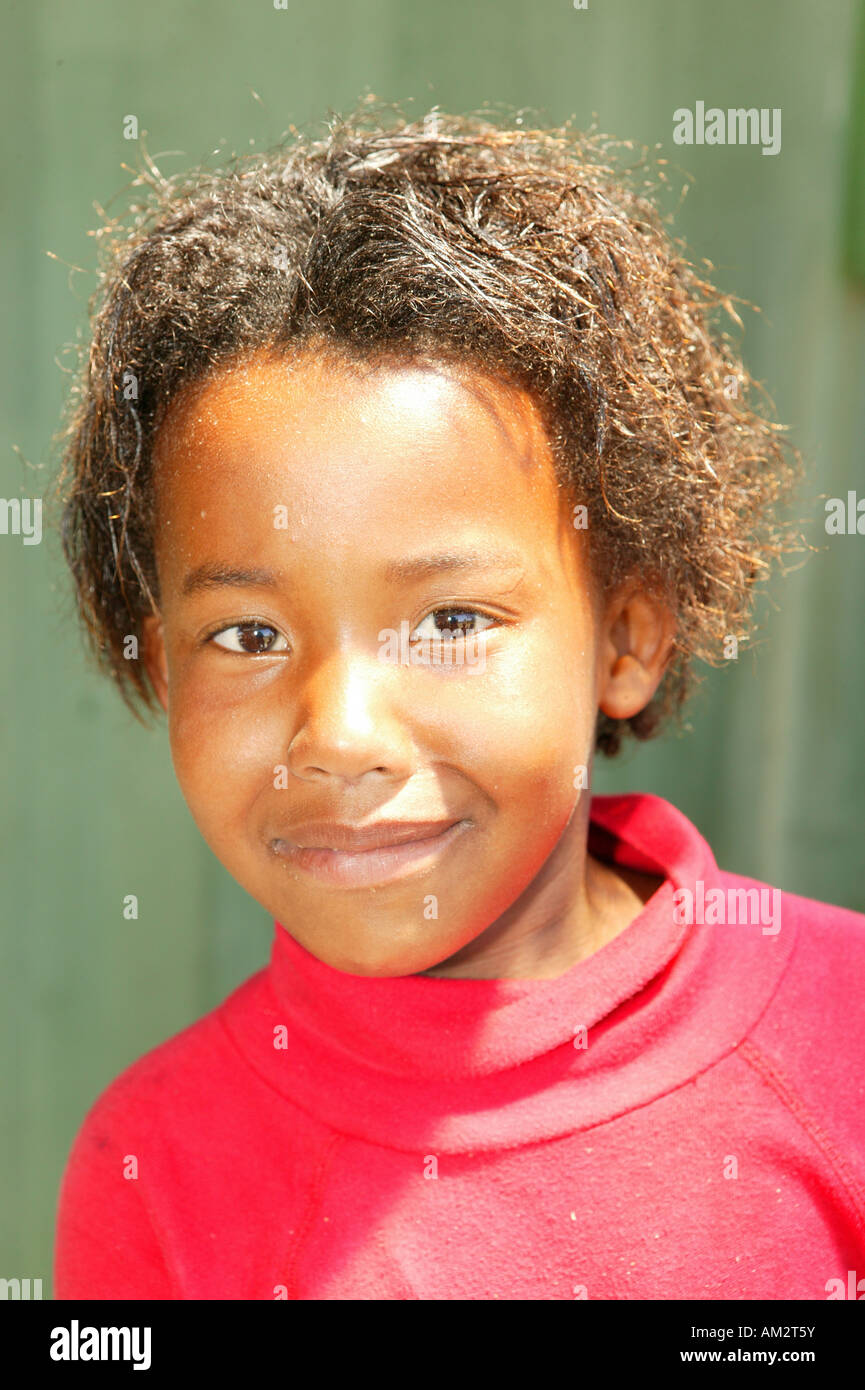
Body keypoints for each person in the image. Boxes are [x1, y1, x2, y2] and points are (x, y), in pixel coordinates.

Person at [51, 101, 865, 1299]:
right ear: (165, 671)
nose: (339, 734)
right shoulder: (151, 1169)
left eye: (448, 621)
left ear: (625, 639)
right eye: (248, 633)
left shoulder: (836, 1034)